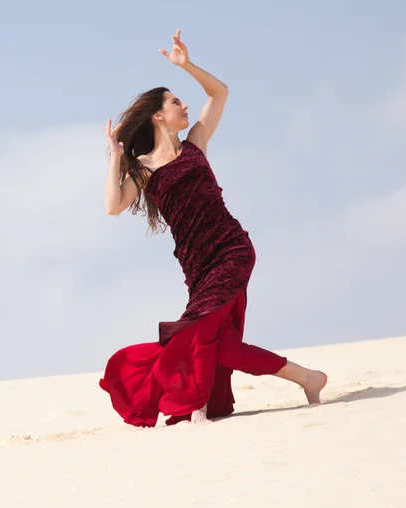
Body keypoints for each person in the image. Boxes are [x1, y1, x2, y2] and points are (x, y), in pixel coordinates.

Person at [99, 30, 327, 427]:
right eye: (174, 102)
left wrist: (185, 66)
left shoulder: (195, 144)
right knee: (220, 346)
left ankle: (197, 408)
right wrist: (116, 157)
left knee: (197, 335)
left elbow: (219, 93)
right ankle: (308, 378)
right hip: (196, 266)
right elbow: (113, 206)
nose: (183, 105)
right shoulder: (143, 170)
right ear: (157, 114)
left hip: (232, 250)